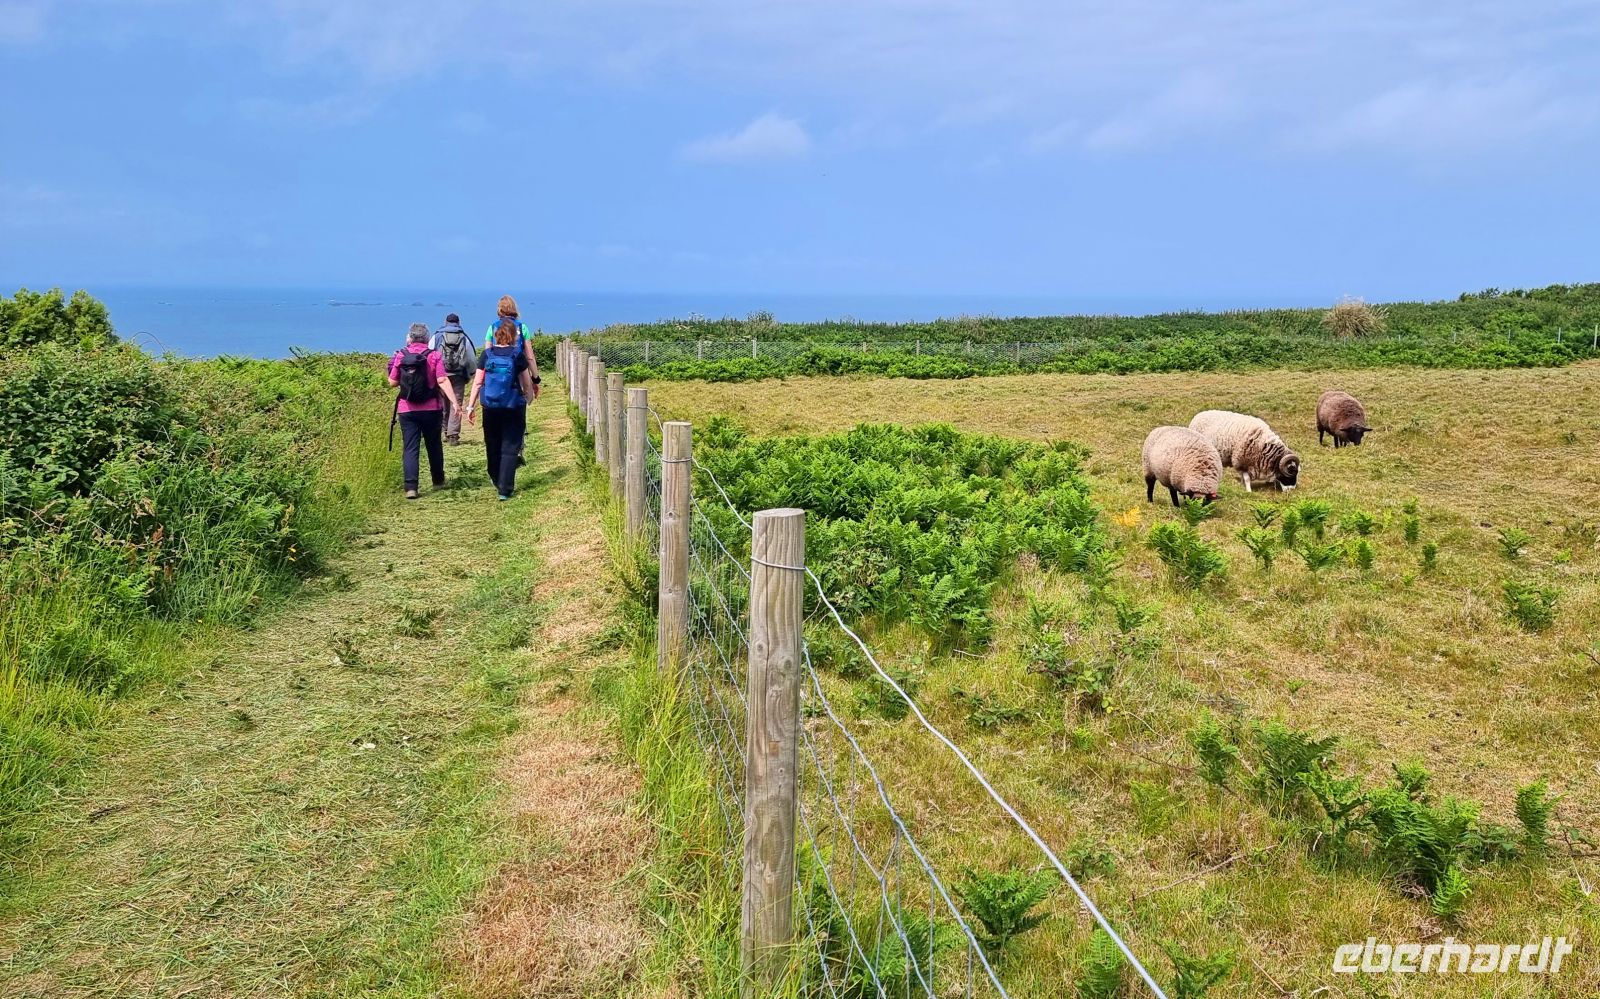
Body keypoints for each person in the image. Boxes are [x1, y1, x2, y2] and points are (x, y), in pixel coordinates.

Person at [465, 316, 539, 500]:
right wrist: (528, 398)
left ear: (496, 335)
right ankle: (505, 489)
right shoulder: (517, 355)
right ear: (513, 336)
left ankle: (496, 476)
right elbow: (526, 383)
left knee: (492, 443)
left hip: (490, 406)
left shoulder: (487, 354)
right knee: (510, 445)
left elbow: (478, 382)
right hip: (513, 405)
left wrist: (470, 406)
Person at [388, 322, 460, 499]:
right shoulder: (433, 355)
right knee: (433, 444)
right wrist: (455, 403)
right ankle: (438, 480)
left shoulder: (401, 355)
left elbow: (392, 382)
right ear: (427, 339)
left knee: (410, 447)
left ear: (410, 338)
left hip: (407, 409)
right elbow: (442, 380)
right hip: (432, 408)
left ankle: (411, 487)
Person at [430, 313, 476, 445]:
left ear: (445, 322)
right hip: (458, 375)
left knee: (442, 403)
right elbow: (471, 358)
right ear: (458, 322)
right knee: (456, 402)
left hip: (441, 374)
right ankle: (453, 435)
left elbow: (429, 353)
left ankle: (444, 430)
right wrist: (471, 373)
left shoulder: (437, 336)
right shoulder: (463, 336)